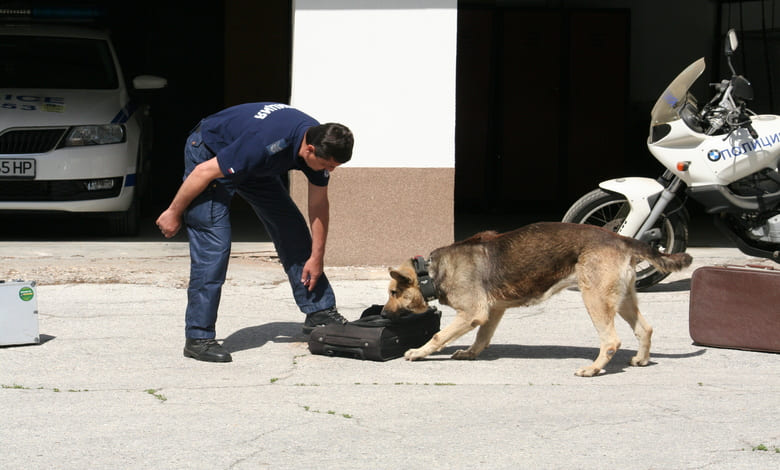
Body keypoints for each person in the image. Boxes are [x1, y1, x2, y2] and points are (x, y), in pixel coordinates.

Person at [155, 102, 354, 363]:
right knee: (215, 246)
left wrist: (317, 257)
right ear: (309, 149)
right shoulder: (263, 143)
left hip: (255, 164)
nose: (329, 171)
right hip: (208, 151)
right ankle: (198, 337)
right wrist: (173, 212)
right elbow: (204, 172)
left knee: (291, 229)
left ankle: (320, 311)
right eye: (328, 165)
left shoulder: (317, 140)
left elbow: (318, 206)